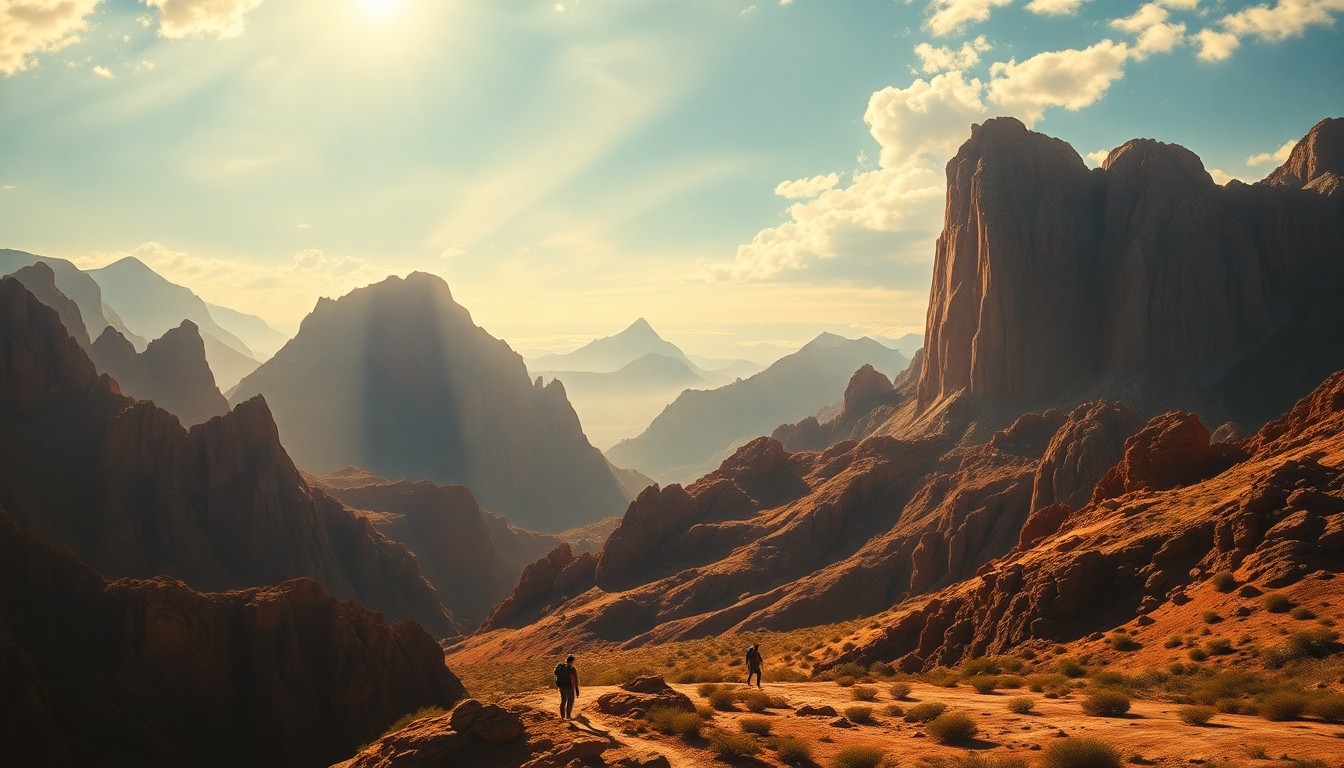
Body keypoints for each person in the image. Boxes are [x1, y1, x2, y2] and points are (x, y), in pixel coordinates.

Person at [555, 654, 580, 719]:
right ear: (572, 661)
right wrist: (576, 689)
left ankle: (562, 716)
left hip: (561, 687)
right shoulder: (572, 669)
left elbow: (555, 674)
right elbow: (575, 680)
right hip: (569, 687)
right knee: (570, 700)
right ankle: (568, 716)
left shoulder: (561, 667)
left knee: (563, 700)